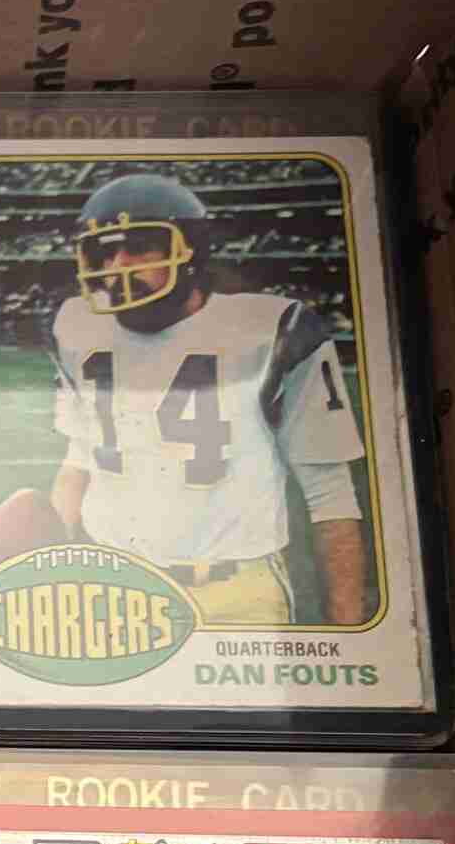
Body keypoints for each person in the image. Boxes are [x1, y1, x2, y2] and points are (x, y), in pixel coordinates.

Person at [46, 172, 370, 625]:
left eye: (139, 246)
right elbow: (80, 457)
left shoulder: (272, 328)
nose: (117, 264)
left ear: (191, 252)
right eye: (104, 251)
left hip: (238, 595)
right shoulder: (75, 325)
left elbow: (330, 495)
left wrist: (349, 631)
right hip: (114, 585)